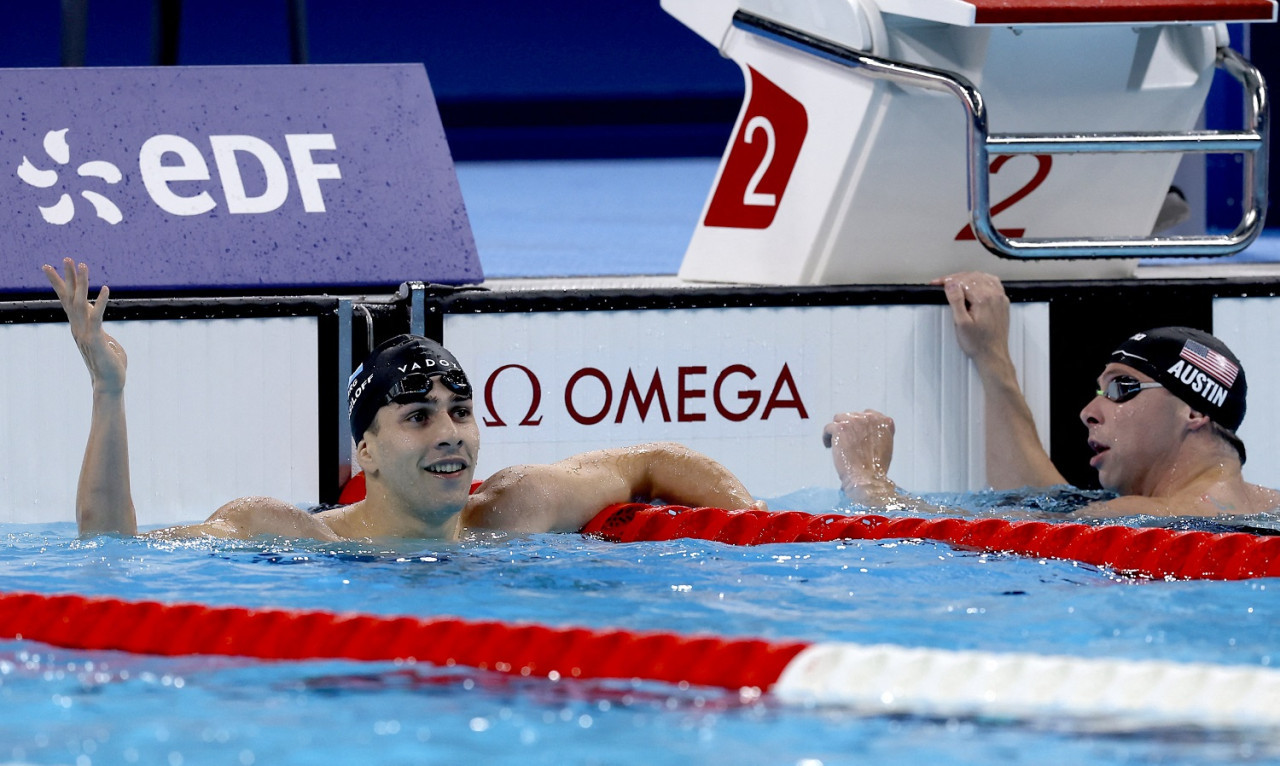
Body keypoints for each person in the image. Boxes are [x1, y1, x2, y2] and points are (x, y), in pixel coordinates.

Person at [46, 258, 765, 541]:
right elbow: (110, 554)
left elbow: (656, 458)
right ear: (367, 450)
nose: (450, 432)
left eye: (460, 409)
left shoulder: (515, 506)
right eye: (418, 416)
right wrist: (107, 395)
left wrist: (761, 531)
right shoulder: (292, 535)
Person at [824, 271, 1280, 518]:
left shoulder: (1140, 517)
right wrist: (992, 359)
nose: (1088, 412)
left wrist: (867, 483)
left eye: (1121, 388)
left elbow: (969, 535)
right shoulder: (1267, 509)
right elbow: (1037, 499)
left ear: (1194, 409)